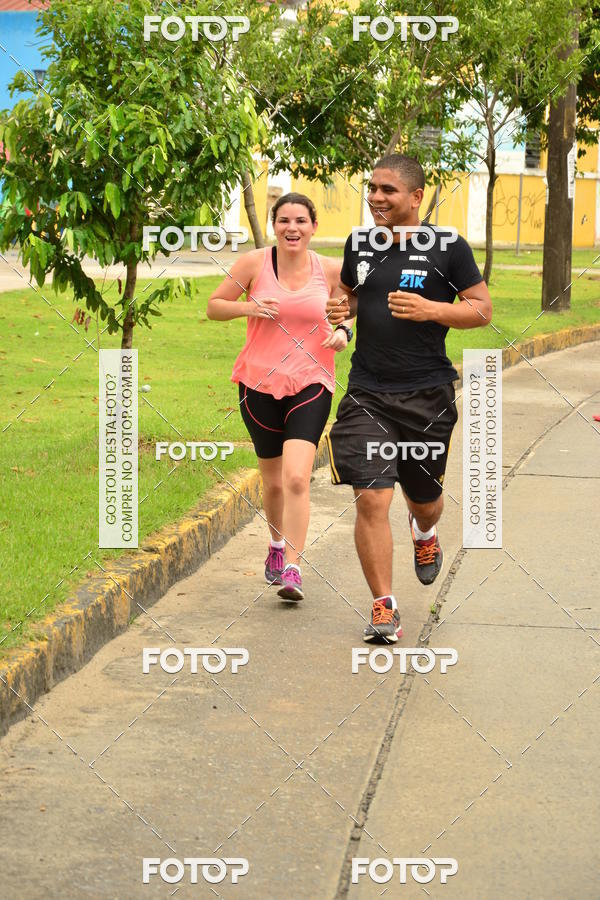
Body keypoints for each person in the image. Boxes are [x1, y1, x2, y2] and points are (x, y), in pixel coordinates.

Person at [326, 154, 492, 642]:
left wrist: (431, 310)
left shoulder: (449, 248)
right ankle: (383, 606)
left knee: (424, 502)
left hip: (426, 393)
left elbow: (481, 311)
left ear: (416, 197)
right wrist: (342, 309)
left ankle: (425, 533)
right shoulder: (360, 243)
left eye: (388, 190)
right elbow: (352, 296)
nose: (375, 197)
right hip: (367, 392)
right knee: (372, 499)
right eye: (372, 188)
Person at [207, 193, 352, 601]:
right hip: (257, 385)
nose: (293, 228)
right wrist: (248, 308)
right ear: (274, 225)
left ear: (313, 227)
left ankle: (293, 567)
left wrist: (345, 332)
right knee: (271, 483)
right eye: (285, 220)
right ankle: (275, 545)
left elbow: (355, 309)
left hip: (311, 382)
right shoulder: (254, 263)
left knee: (295, 477)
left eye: (301, 221)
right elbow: (215, 306)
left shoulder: (331, 270)